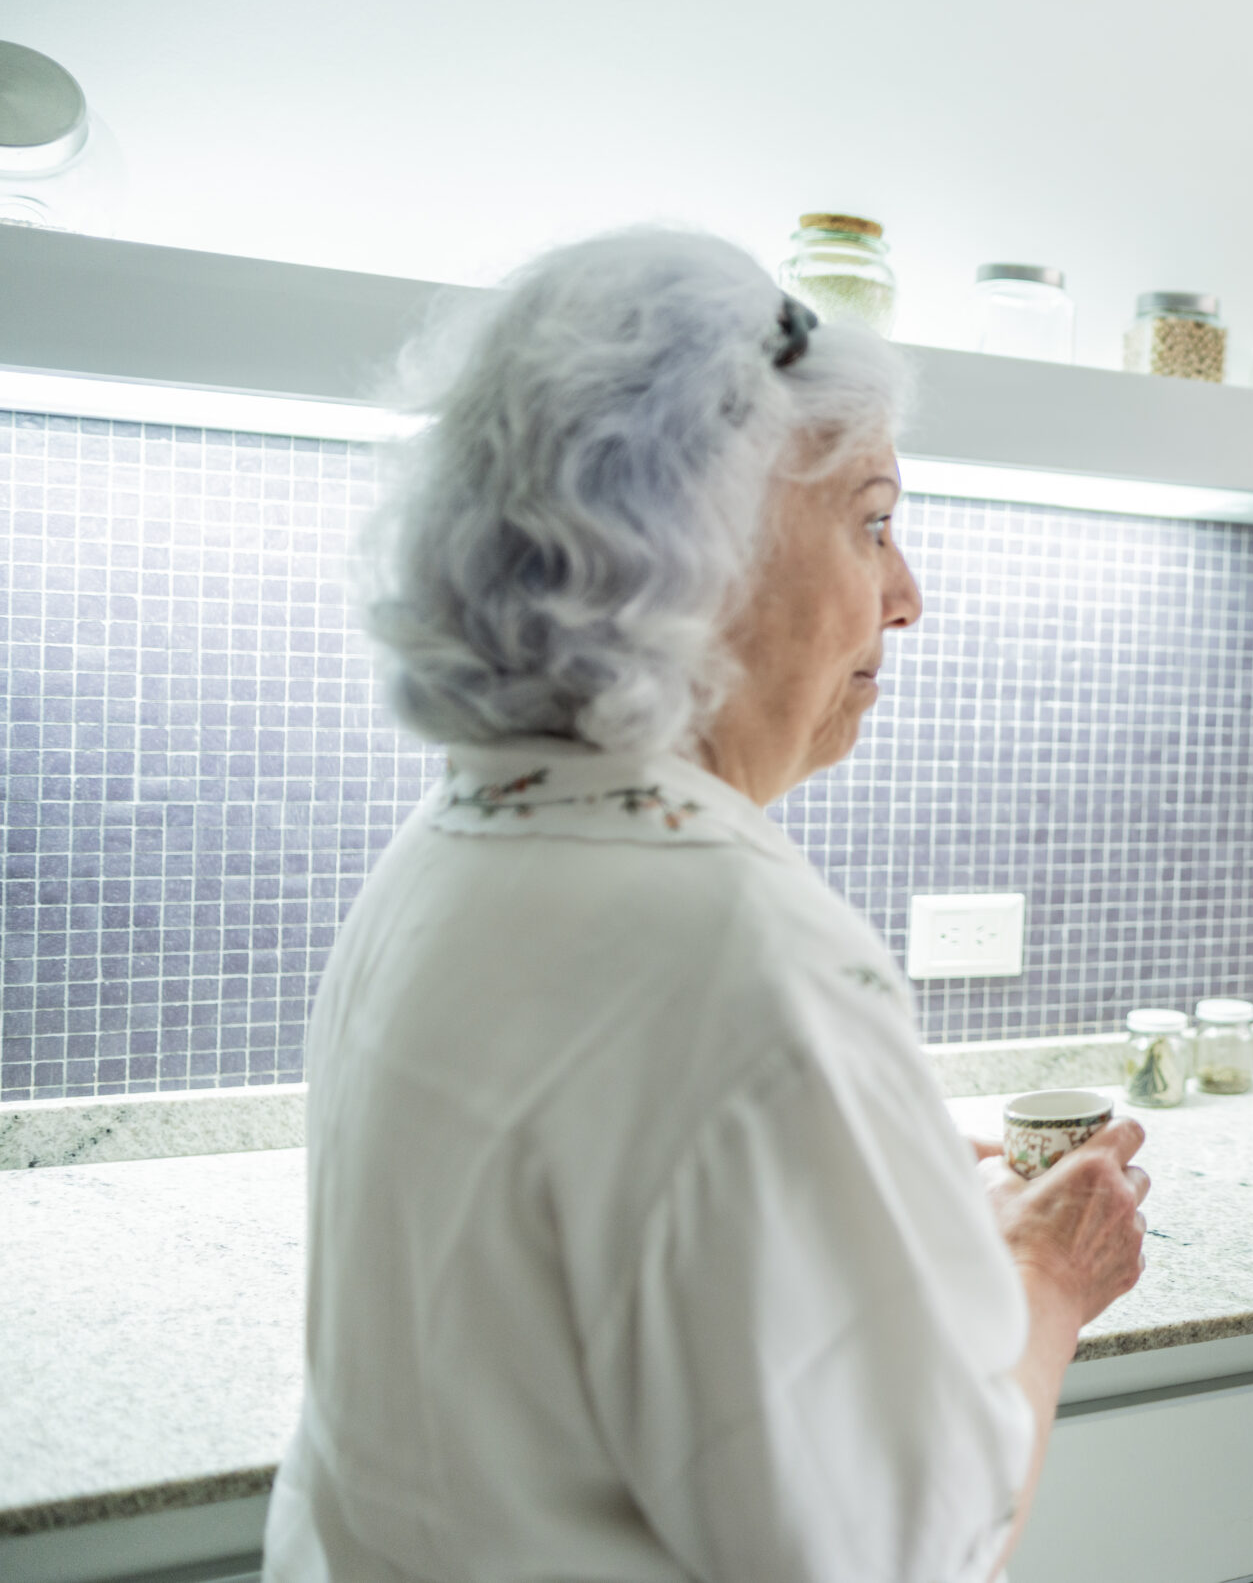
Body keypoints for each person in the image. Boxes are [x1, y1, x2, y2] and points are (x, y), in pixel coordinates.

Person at [263, 229, 1149, 1581]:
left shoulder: (456, 847)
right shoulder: (746, 961)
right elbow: (900, 1557)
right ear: (691, 542)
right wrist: (1044, 1283)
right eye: (871, 518)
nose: (905, 596)